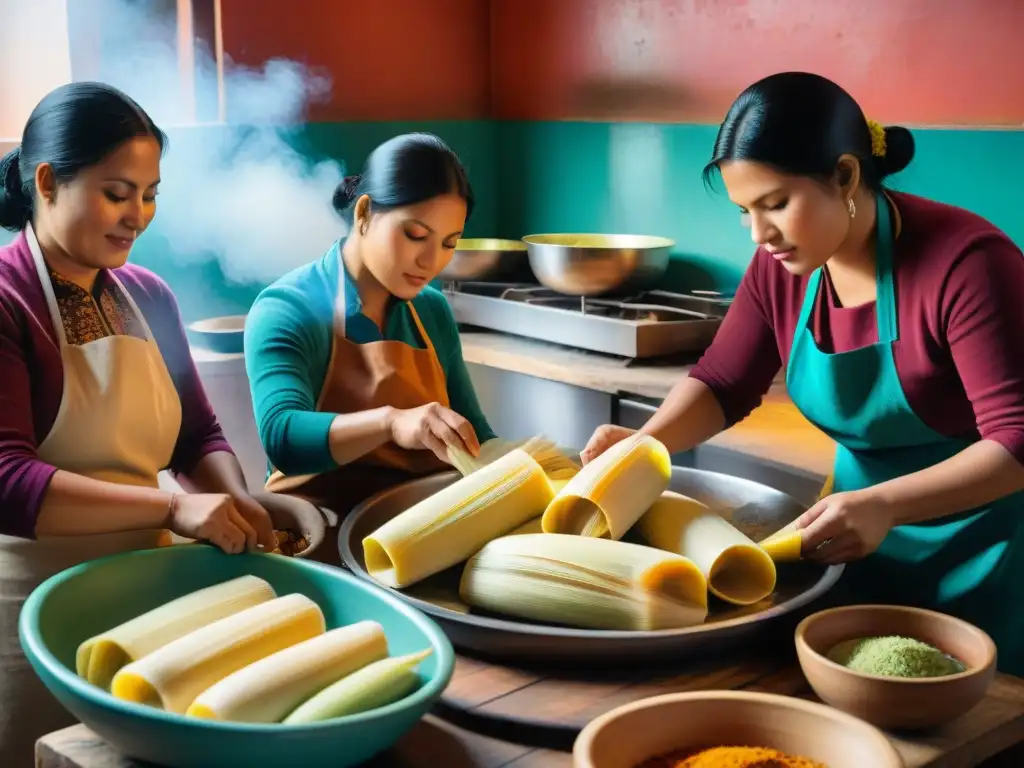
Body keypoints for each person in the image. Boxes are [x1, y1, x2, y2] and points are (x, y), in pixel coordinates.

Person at [580, 72, 1024, 674]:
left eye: (776, 205)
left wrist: (885, 506)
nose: (760, 235)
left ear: (844, 175)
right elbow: (722, 382)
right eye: (744, 211)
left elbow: (1017, 442)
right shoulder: (782, 266)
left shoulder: (967, 265)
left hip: (986, 557)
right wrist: (644, 446)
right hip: (852, 540)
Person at [0, 82, 279, 760]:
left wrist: (238, 499)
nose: (138, 216)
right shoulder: (7, 301)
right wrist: (173, 509)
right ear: (47, 181)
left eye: (150, 194)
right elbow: (8, 483)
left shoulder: (148, 294)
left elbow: (197, 436)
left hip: (149, 606)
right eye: (117, 193)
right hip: (27, 611)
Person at [244, 133, 497, 563]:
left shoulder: (431, 311)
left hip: (421, 537)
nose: (430, 261)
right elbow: (282, 437)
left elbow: (475, 433)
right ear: (364, 213)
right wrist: (391, 423)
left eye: (449, 243)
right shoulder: (287, 308)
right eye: (415, 234)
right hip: (319, 536)